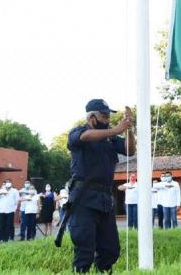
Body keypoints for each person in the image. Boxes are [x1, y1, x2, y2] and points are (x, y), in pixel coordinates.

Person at [66, 99, 134, 273]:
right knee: (85, 247)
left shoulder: (111, 138)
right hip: (83, 198)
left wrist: (128, 129)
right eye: (104, 116)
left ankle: (103, 270)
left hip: (104, 199)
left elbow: (129, 150)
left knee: (111, 249)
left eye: (109, 116)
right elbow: (85, 137)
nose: (108, 120)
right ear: (92, 118)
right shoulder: (79, 131)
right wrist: (117, 129)